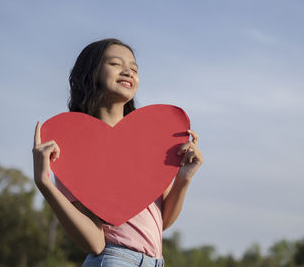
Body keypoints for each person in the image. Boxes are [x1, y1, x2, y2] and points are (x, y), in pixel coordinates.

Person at [32, 38, 203, 267]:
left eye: (134, 68)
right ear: (91, 73)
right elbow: (95, 243)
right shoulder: (72, 145)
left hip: (157, 261)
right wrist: (44, 183)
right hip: (114, 260)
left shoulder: (152, 139)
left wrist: (183, 177)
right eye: (115, 64)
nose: (128, 72)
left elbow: (161, 223)